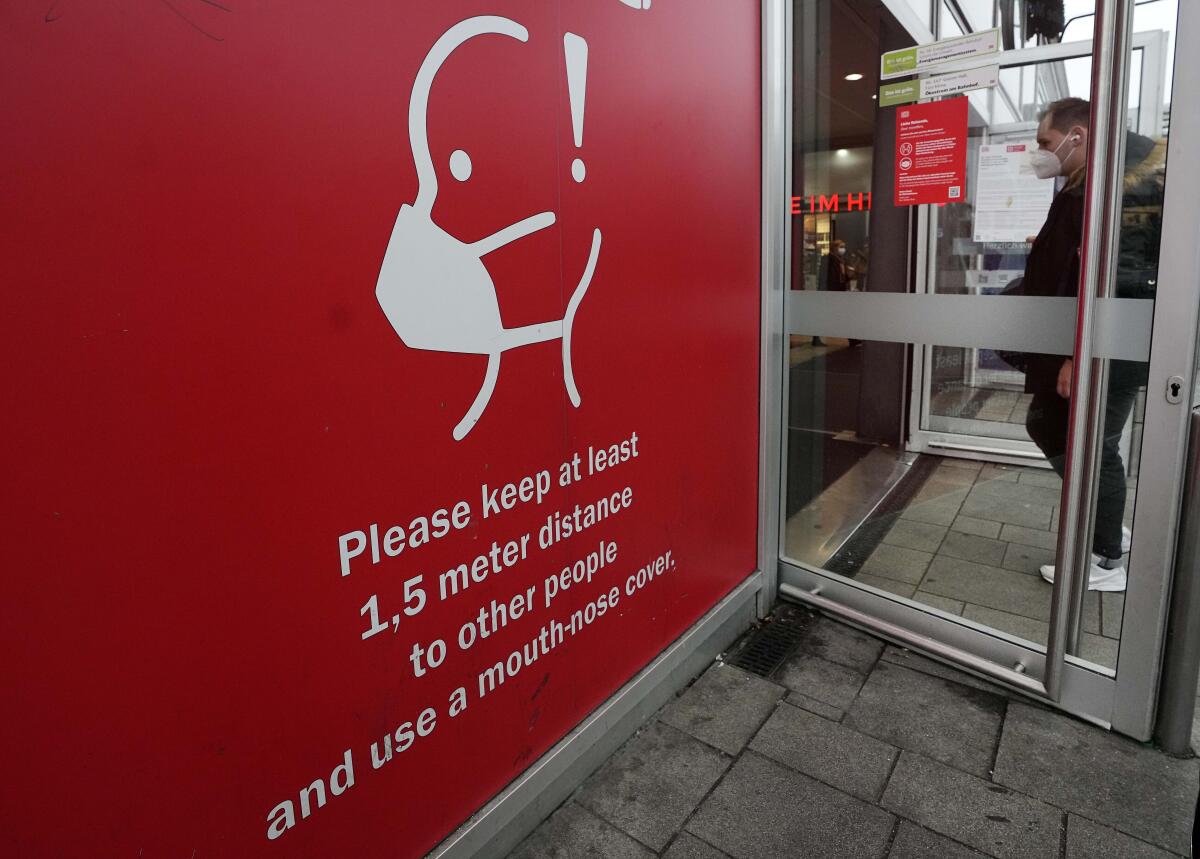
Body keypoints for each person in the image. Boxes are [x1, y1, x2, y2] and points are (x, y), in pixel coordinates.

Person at [1021, 97, 1165, 592]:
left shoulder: (1123, 183)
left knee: (1090, 442)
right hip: (1105, 341)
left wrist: (1081, 354)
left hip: (1109, 344)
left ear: (1076, 136)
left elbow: (1117, 276)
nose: (1040, 153)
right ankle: (1107, 524)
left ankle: (1106, 560)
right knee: (1055, 427)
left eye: (1045, 142)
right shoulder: (1100, 176)